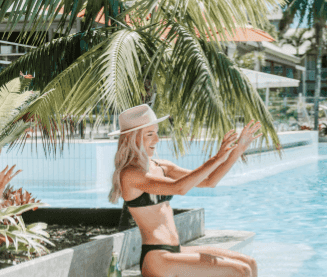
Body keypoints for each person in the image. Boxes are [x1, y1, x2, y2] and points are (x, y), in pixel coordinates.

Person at [107, 104, 263, 277]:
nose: (157, 140)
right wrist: (217, 158)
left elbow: (209, 181)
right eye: (149, 134)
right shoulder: (130, 174)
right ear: (132, 138)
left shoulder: (161, 166)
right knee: (240, 271)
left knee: (250, 263)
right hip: (158, 257)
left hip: (176, 250)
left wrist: (238, 150)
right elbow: (179, 187)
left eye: (157, 132)